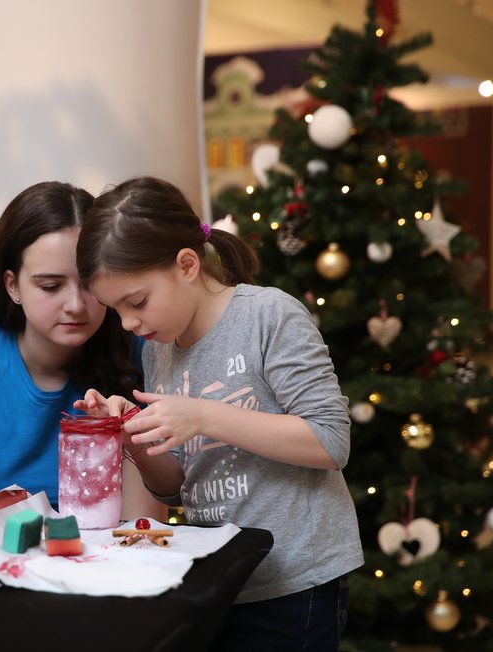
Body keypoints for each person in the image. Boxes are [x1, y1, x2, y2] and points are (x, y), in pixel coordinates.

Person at [74, 176, 363, 651]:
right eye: (115, 310)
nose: (128, 324)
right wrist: (135, 439)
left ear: (187, 265)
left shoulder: (267, 316)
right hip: (217, 578)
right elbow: (173, 484)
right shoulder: (159, 350)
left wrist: (205, 416)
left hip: (294, 580)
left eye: (137, 302)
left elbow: (331, 441)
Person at [0, 180, 166, 520]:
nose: (75, 305)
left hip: (102, 561)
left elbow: (143, 530)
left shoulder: (139, 346)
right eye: (51, 286)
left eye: (89, 283)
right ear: (12, 285)